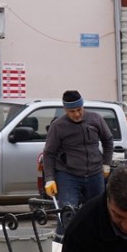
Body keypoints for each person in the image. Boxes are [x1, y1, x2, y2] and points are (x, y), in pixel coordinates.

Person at [44, 90, 114, 240]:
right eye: (72, 111)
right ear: (65, 110)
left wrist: (106, 164)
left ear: (83, 106)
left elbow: (108, 141)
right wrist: (49, 178)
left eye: (79, 109)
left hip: (95, 173)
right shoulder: (58, 126)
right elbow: (49, 154)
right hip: (68, 176)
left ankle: (97, 246)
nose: (76, 114)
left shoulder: (95, 119)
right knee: (67, 213)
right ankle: (62, 247)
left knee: (98, 213)